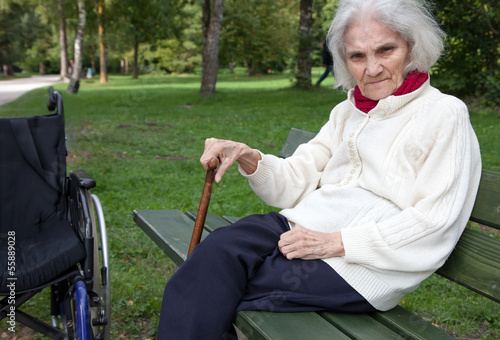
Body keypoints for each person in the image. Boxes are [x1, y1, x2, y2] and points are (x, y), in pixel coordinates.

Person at [157, 0, 482, 338]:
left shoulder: (444, 114)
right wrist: (249, 157)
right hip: (302, 227)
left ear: (413, 48)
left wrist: (337, 242)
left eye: (386, 50)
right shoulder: (348, 111)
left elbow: (435, 222)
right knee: (216, 253)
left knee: (212, 289)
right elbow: (295, 181)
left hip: (362, 266)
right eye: (357, 56)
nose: (371, 69)